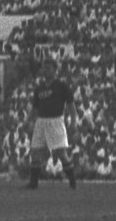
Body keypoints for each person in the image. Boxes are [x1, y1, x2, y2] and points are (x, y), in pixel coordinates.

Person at [25, 58, 79, 189]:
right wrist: (28, 121)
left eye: (49, 68)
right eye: (44, 68)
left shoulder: (61, 86)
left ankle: (72, 180)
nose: (46, 70)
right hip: (41, 121)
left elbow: (71, 106)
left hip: (56, 121)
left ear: (55, 70)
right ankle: (33, 183)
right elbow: (35, 108)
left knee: (61, 153)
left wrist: (73, 122)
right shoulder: (39, 88)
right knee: (35, 151)